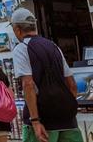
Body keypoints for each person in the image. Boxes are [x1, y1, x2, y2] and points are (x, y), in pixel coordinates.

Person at [11, 8, 80, 142]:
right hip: (68, 121)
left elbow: (28, 84)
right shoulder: (54, 47)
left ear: (17, 30)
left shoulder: (22, 48)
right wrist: (67, 110)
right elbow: (72, 84)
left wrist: (35, 121)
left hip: (43, 119)